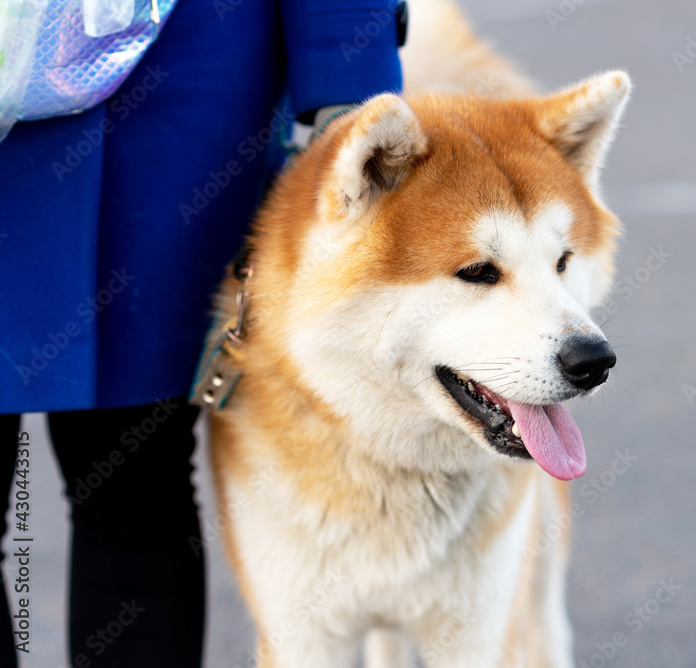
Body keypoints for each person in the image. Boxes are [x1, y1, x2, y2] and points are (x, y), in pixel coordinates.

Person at [0, 0, 405, 664]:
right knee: (135, 493)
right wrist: (345, 75)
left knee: (135, 478)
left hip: (167, 77)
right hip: (180, 76)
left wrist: (349, 95)